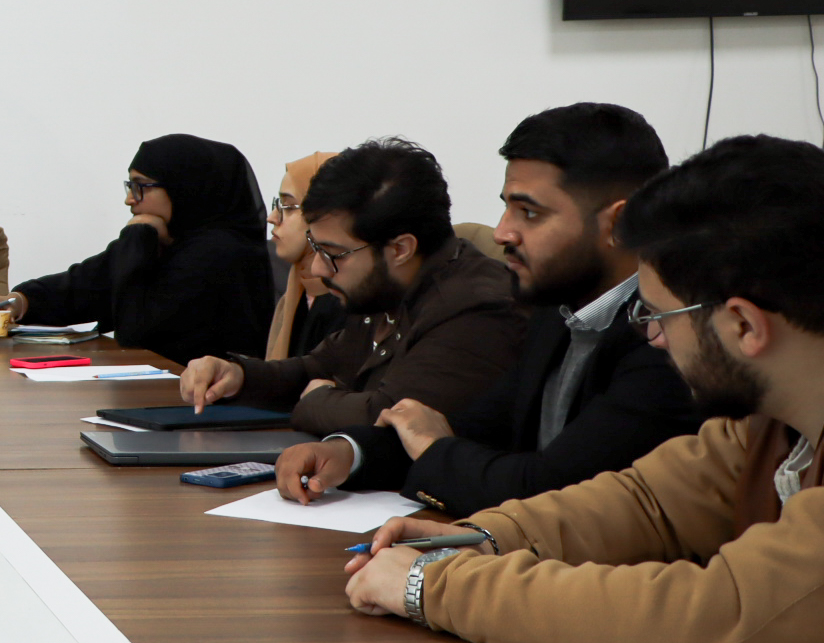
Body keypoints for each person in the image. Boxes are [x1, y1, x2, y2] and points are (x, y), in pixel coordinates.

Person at [345, 136, 824, 643]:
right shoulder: (765, 421)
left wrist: (434, 586)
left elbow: (723, 621)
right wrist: (487, 538)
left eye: (661, 315)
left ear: (744, 325)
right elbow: (649, 503)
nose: (653, 336)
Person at [278, 105, 700, 513]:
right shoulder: (556, 312)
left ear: (619, 224)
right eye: (506, 206)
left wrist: (435, 447)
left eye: (529, 212)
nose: (502, 232)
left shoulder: (669, 340)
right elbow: (471, 430)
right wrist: (350, 453)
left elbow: (548, 492)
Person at [179, 138, 527, 436]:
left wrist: (316, 401)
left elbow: (390, 419)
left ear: (400, 249)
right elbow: (316, 369)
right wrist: (238, 376)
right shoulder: (386, 288)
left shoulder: (473, 309)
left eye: (334, 253)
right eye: (316, 248)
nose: (319, 268)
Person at [0, 134, 273, 366]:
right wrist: (19, 302)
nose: (130, 199)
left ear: (185, 188)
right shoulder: (169, 242)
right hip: (161, 393)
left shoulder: (220, 253)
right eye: (130, 186)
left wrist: (138, 235)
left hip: (210, 409)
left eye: (141, 186)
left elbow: (136, 332)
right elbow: (87, 285)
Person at [264, 151, 345, 361]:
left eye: (288, 207)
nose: (272, 217)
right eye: (277, 205)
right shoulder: (299, 289)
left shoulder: (345, 301)